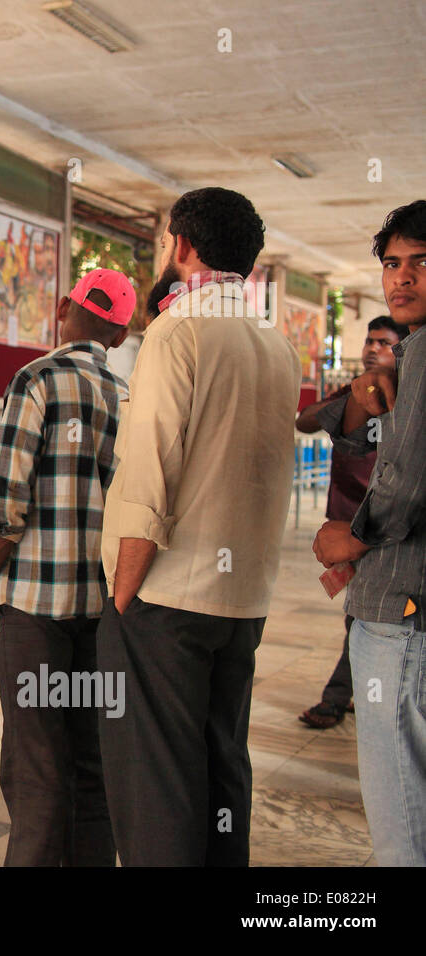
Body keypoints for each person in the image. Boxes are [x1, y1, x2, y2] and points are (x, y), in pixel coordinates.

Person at [98, 187, 300, 866]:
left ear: (182, 247)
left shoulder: (177, 331)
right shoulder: (276, 348)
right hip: (243, 601)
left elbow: (149, 473)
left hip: (168, 597)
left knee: (156, 781)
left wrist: (123, 600)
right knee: (221, 766)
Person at [0, 268, 135, 866]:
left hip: (36, 611)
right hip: (104, 610)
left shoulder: (36, 381)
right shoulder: (127, 397)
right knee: (91, 765)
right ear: (121, 332)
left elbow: (3, 506)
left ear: (64, 307)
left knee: (34, 766)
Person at [311, 200, 426, 866]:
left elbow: (406, 480)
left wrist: (348, 538)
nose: (402, 278)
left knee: (401, 825)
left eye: (420, 263)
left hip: (403, 610)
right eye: (392, 264)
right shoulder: (403, 363)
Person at [296, 315, 406, 729]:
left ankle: (337, 699)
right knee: (360, 613)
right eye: (369, 341)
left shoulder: (407, 394)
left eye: (383, 342)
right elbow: (305, 420)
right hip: (344, 520)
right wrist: (348, 405)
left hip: (382, 523)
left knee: (365, 617)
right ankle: (356, 694)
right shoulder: (353, 390)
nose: (373, 349)